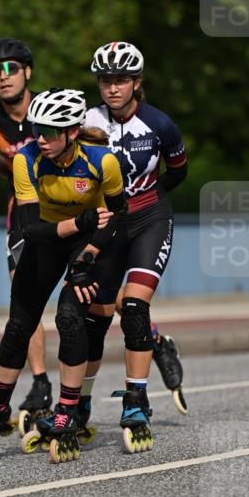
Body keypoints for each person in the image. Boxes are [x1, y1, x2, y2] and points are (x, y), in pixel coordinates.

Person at [0, 88, 126, 465]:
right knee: (19, 323)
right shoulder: (27, 160)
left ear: (72, 132)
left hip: (90, 243)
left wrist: (88, 255)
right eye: (37, 128)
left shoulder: (102, 161)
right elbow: (27, 230)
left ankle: (68, 409)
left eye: (51, 130)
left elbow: (117, 218)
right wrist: (79, 221)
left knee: (70, 317)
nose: (40, 137)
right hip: (53, 234)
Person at [80, 41, 189, 452]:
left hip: (150, 218)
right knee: (95, 316)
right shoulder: (86, 121)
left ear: (136, 83)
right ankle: (79, 402)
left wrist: (148, 198)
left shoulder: (160, 124)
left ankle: (137, 400)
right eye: (105, 80)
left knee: (134, 308)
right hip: (109, 224)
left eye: (121, 80)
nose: (112, 88)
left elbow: (178, 171)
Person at [0, 38, 52, 426]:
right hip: (22, 212)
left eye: (11, 70)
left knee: (97, 295)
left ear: (27, 72)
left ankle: (152, 335)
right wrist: (11, 174)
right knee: (25, 296)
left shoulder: (50, 109)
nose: (3, 78)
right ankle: (40, 383)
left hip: (67, 204)